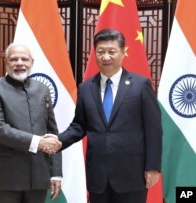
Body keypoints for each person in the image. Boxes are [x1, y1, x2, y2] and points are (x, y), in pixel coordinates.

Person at [45, 29, 162, 203]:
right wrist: (59, 141)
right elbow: (79, 126)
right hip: (98, 176)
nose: (106, 57)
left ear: (123, 53)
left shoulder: (140, 85)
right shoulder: (85, 88)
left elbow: (153, 130)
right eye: (100, 52)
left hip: (131, 174)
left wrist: (152, 167)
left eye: (111, 51)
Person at [0, 43, 62, 203]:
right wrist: (38, 142)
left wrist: (55, 173)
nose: (20, 63)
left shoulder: (42, 89)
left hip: (38, 176)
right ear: (6, 62)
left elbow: (52, 132)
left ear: (32, 62)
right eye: (14, 59)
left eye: (24, 59)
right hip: (5, 177)